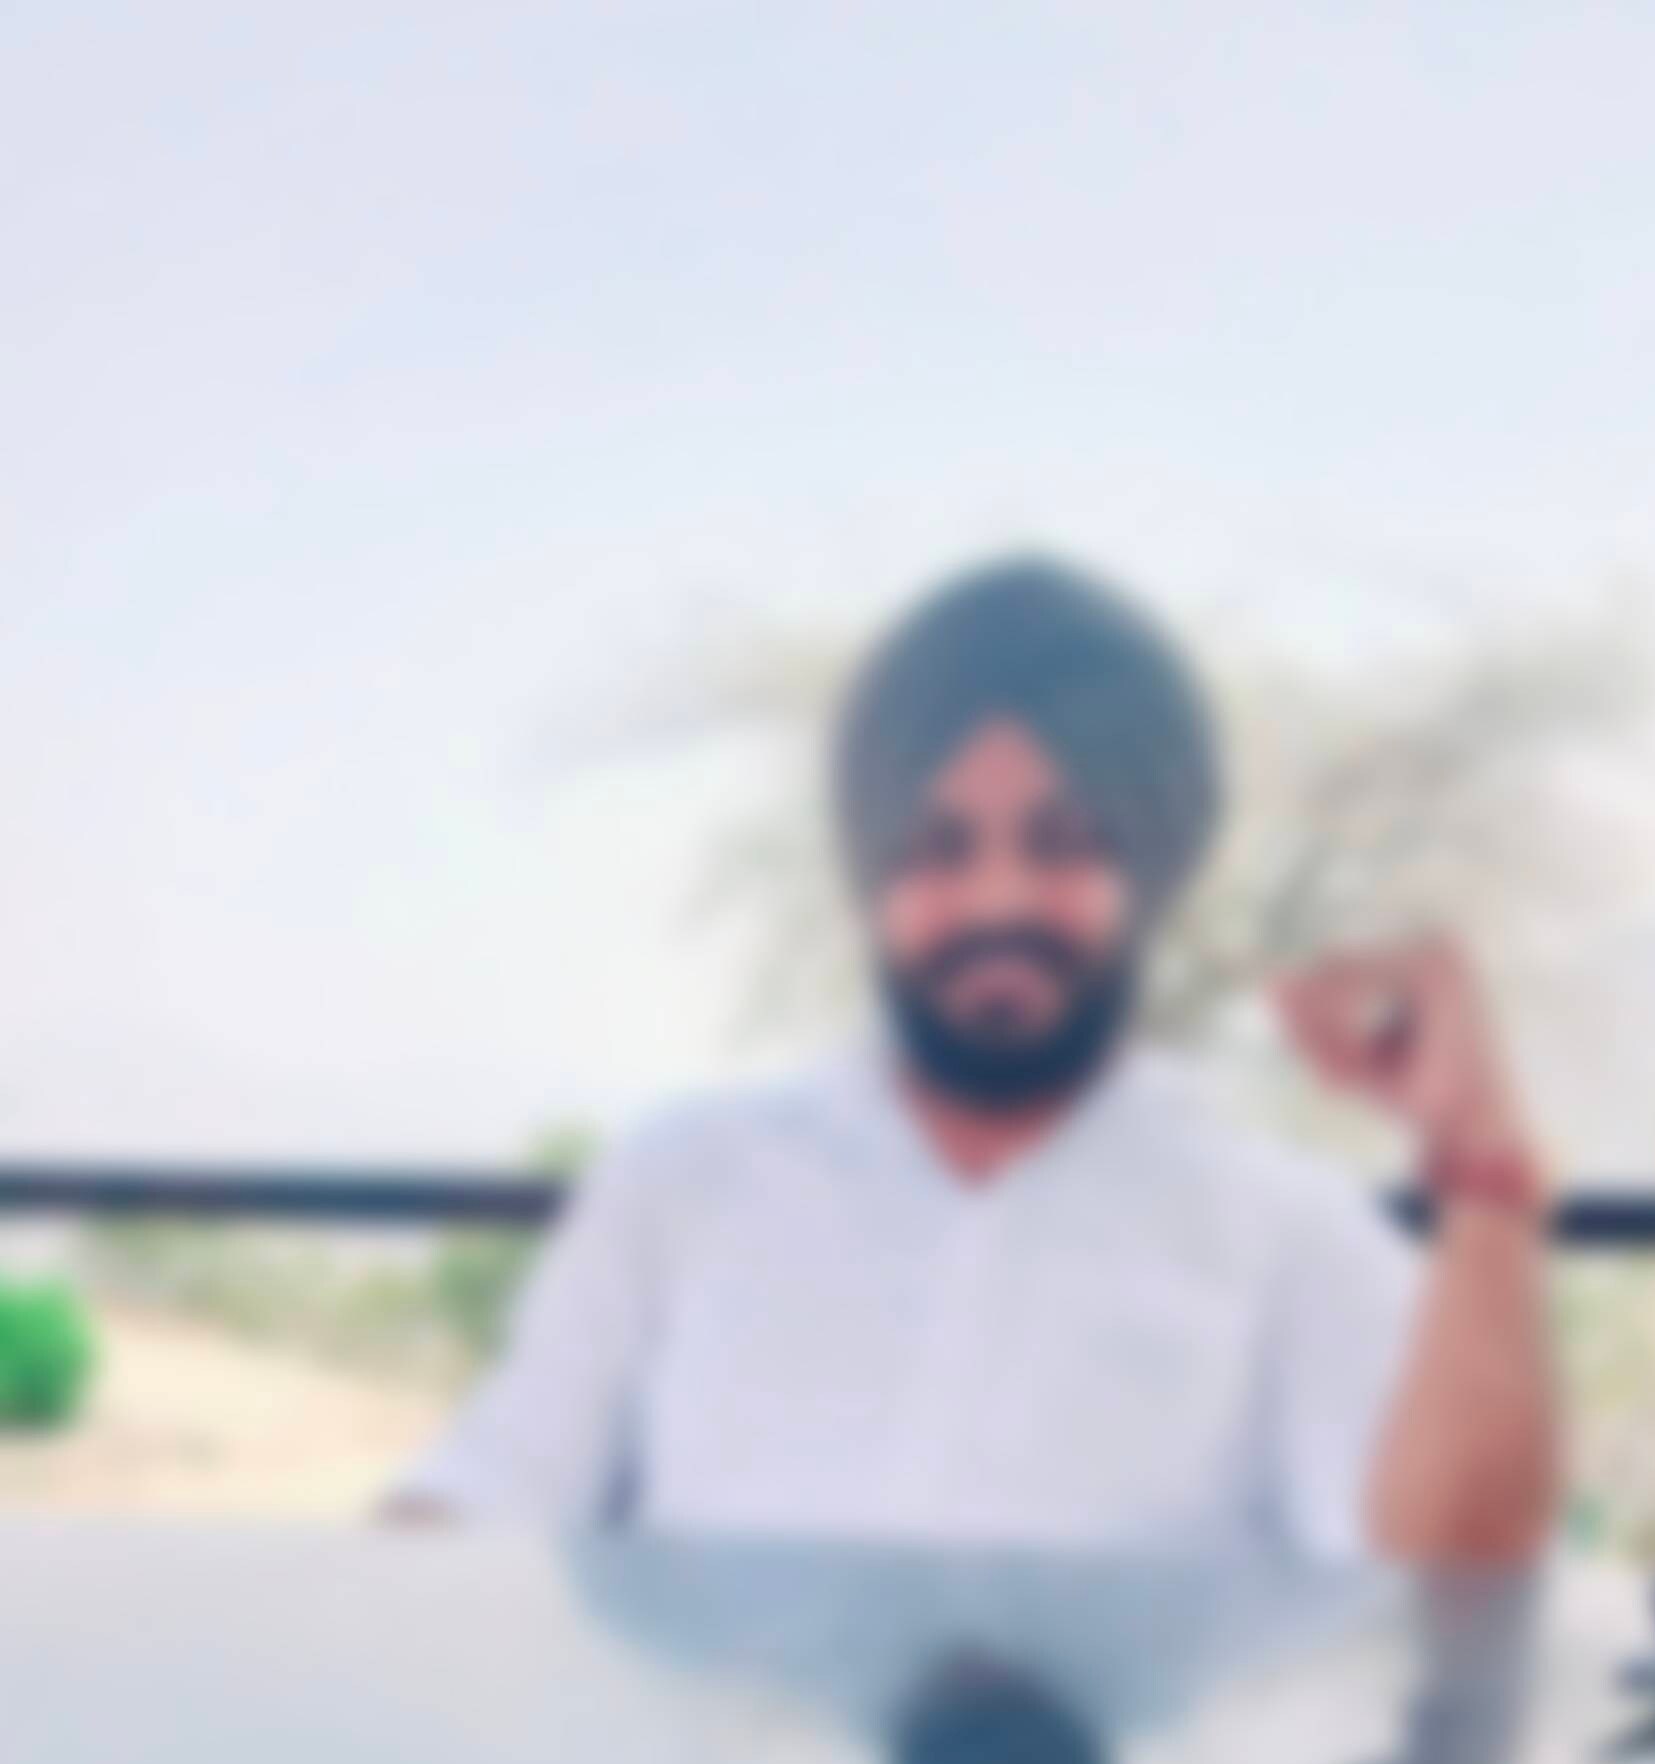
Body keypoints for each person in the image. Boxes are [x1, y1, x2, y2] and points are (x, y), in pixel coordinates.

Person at [389, 556, 1558, 1563]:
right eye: (937, 848)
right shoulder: (684, 1179)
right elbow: (492, 1493)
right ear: (868, 877)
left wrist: (1484, 1169)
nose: (999, 899)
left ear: (1148, 871)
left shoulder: (1279, 1231)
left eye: (1062, 843)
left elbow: (1450, 1583)